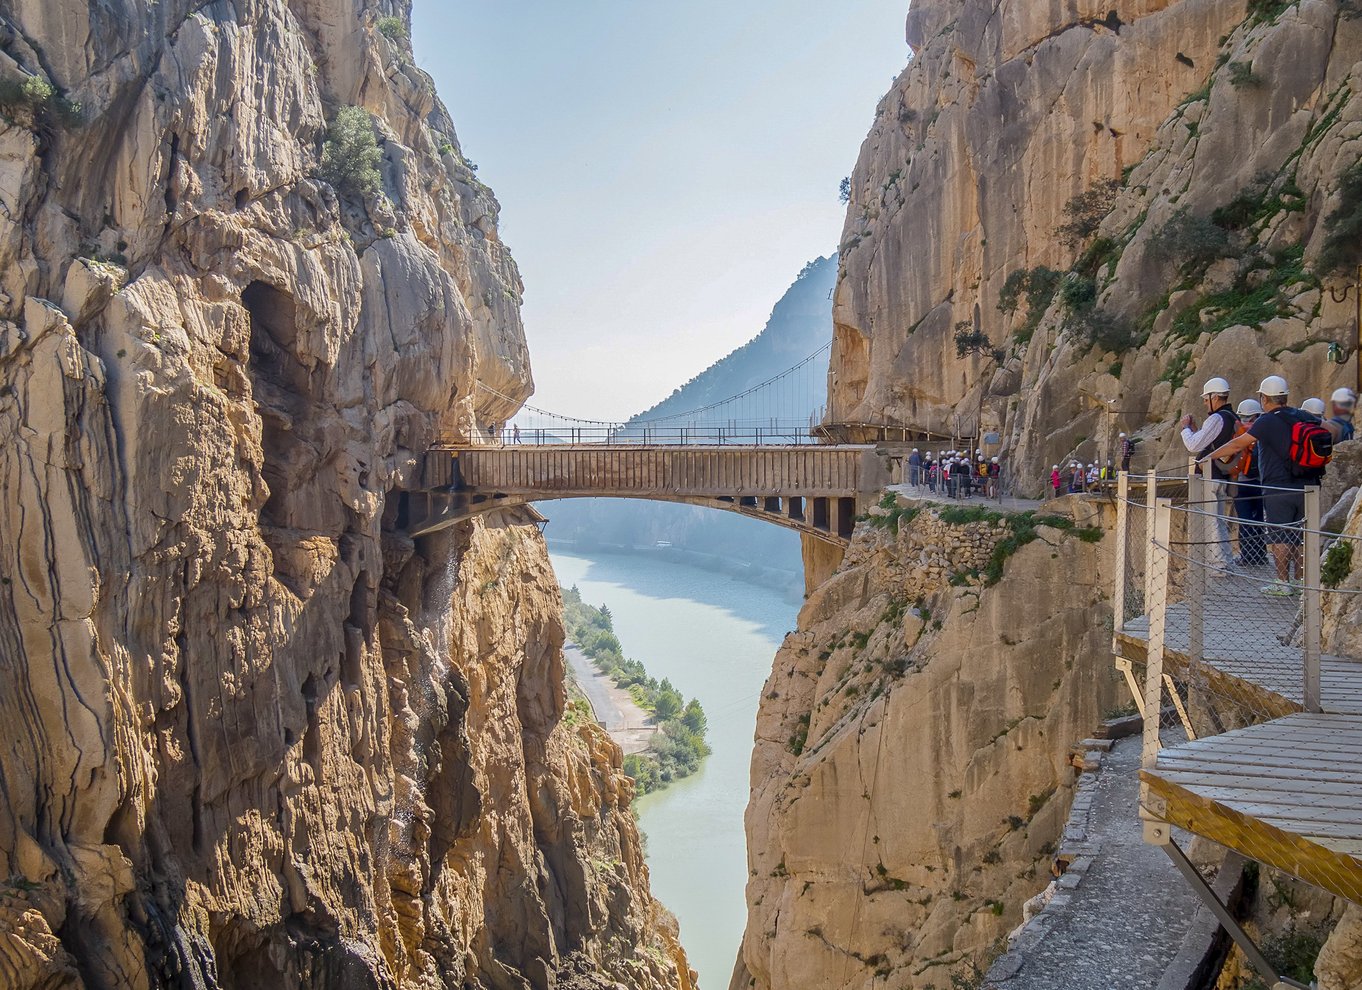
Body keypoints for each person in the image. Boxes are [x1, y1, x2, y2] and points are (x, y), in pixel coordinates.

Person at [1206, 376, 1313, 596]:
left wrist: (1208, 457)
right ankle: (1302, 582)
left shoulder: (1267, 421)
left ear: (1264, 398)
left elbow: (1238, 444)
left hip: (1278, 487)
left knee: (1280, 536)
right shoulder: (1303, 415)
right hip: (1308, 484)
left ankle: (1283, 583)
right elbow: (1329, 430)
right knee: (1301, 535)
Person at [1180, 376, 1239, 570]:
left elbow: (1193, 444)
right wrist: (1198, 430)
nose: (1205, 403)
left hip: (1211, 474)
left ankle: (1218, 564)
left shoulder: (1217, 418)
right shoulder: (1233, 417)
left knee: (1212, 522)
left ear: (1215, 397)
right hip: (1223, 473)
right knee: (1219, 521)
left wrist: (1186, 429)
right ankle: (1225, 561)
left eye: (1206, 399)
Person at [1231, 398, 1267, 568]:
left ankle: (1247, 556)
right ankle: (1261, 554)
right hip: (1260, 482)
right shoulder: (1263, 431)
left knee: (1244, 520)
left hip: (1241, 483)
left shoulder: (1238, 431)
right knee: (1258, 518)